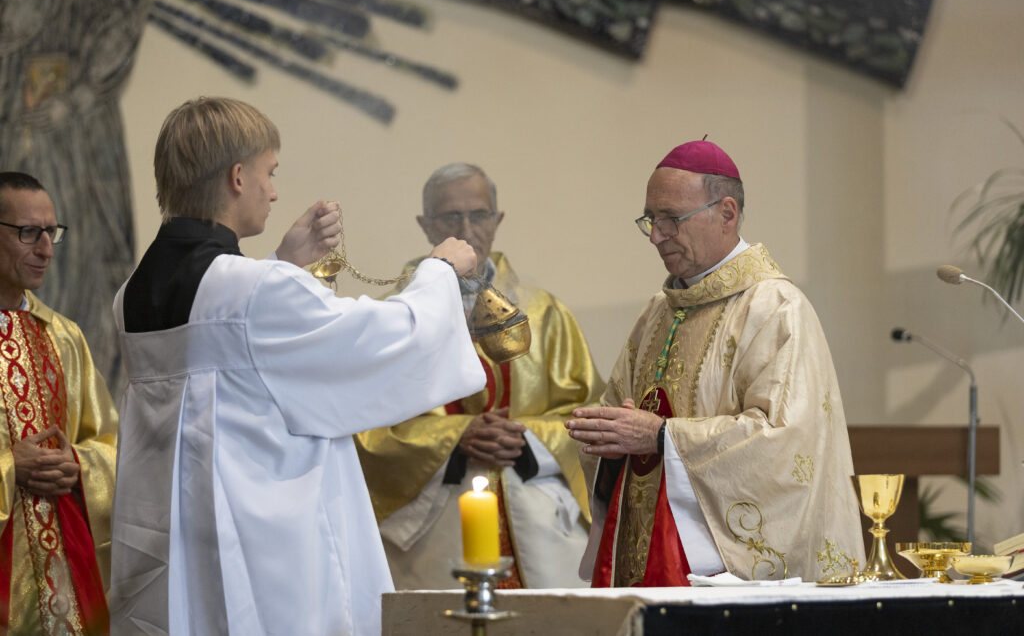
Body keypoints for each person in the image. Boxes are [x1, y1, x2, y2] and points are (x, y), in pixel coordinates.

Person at [107, 98, 485, 635]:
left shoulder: (130, 295)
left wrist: (283, 264)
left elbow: (228, 351)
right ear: (238, 177)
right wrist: (440, 272)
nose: (274, 191)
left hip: (173, 552)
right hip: (263, 556)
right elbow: (383, 343)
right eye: (270, 172)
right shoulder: (256, 289)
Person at [566, 140, 864, 586]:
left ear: (727, 213)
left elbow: (783, 443)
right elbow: (623, 420)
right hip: (646, 558)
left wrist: (662, 437)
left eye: (671, 219)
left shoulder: (775, 308)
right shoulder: (658, 312)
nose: (656, 235)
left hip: (719, 575)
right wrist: (609, 438)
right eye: (650, 220)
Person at [356, 163, 603, 588]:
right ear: (425, 224)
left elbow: (590, 414)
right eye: (451, 216)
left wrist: (525, 438)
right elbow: (362, 426)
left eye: (479, 214)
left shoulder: (545, 313)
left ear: (498, 219)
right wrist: (456, 437)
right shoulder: (391, 318)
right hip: (431, 522)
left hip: (537, 512)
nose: (467, 229)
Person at [0, 171, 117, 634]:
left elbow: (108, 444)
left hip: (68, 583)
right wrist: (10, 466)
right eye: (29, 232)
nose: (47, 249)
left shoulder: (64, 337)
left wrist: (78, 465)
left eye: (52, 232)